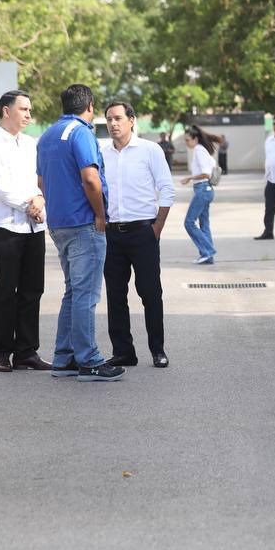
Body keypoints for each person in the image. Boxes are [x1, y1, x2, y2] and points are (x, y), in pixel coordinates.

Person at [37, 84, 123, 381]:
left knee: (73, 291)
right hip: (84, 223)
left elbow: (41, 182)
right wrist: (100, 214)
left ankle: (64, 357)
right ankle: (89, 360)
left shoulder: (47, 135)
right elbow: (90, 179)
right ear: (89, 106)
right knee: (86, 294)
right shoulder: (81, 132)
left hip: (59, 222)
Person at [0, 90, 52, 372]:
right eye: (24, 109)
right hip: (4, 225)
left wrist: (40, 200)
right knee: (7, 288)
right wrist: (27, 203)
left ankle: (27, 351)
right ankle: (2, 351)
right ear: (6, 111)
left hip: (33, 225)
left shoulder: (31, 144)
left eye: (30, 110)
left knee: (33, 289)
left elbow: (40, 179)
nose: (29, 115)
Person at [102, 102, 175, 368]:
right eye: (109, 119)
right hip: (111, 234)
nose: (113, 124)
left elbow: (167, 190)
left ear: (131, 120)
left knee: (150, 292)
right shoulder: (101, 152)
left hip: (143, 231)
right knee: (115, 294)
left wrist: (156, 228)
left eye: (118, 118)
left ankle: (158, 349)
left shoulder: (150, 150)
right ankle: (123, 352)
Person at [180, 125, 220, 264]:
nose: (186, 143)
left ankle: (208, 251)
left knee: (189, 223)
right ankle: (208, 256)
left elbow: (206, 173)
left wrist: (189, 178)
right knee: (204, 224)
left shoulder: (199, 150)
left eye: (187, 140)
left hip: (203, 189)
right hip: (204, 190)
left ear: (195, 139)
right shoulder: (202, 150)